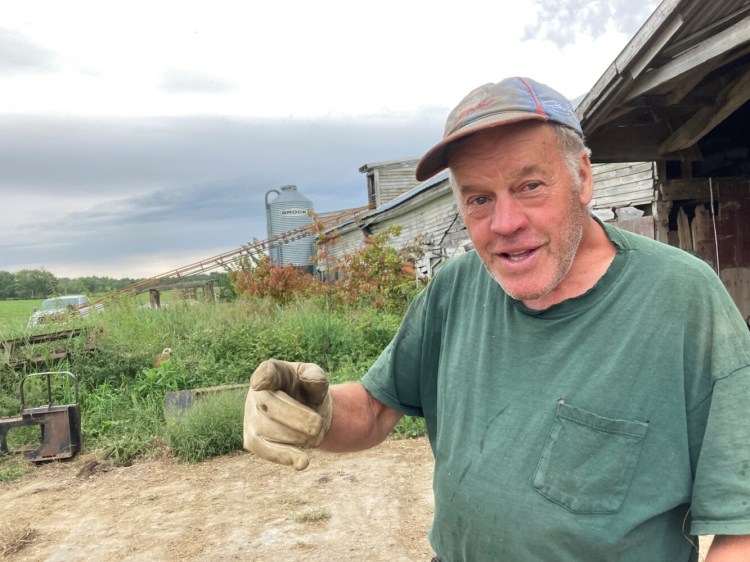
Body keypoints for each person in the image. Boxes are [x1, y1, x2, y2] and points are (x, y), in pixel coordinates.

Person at [243, 77, 750, 561]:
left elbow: (742, 532)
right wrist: (314, 411)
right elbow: (376, 409)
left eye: (530, 185)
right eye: (479, 199)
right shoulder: (456, 287)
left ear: (583, 178)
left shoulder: (682, 301)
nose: (505, 224)